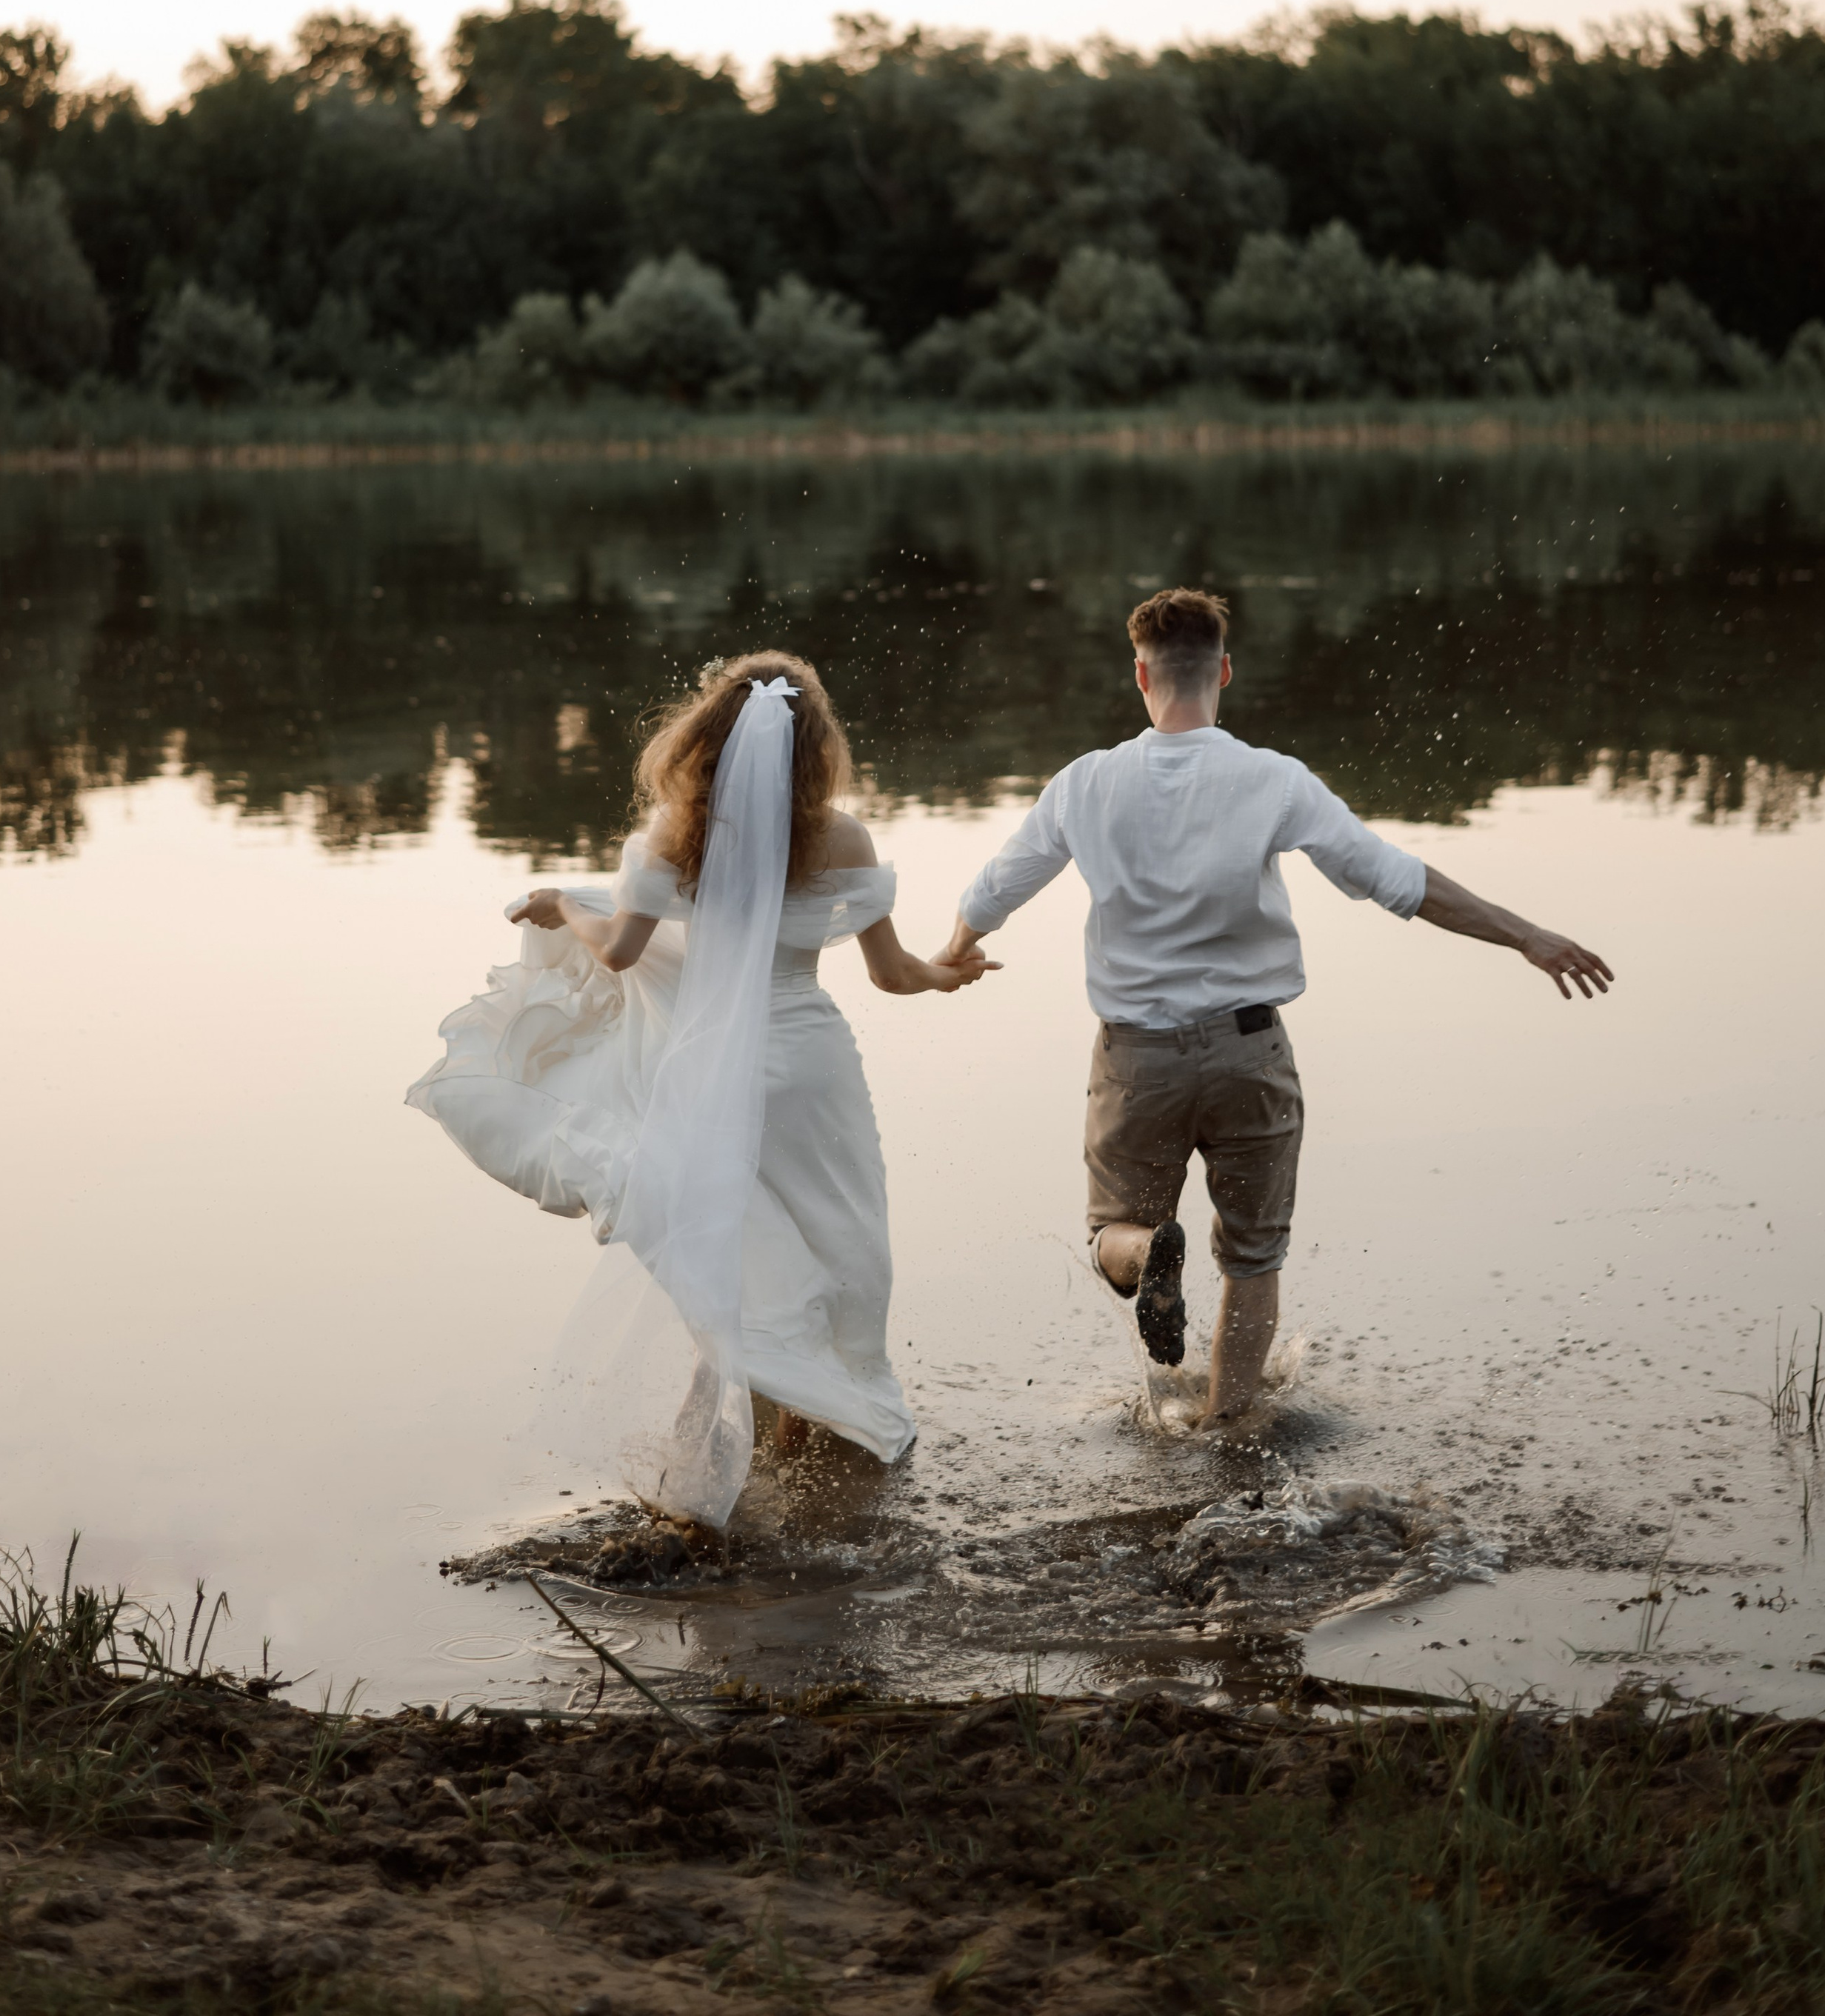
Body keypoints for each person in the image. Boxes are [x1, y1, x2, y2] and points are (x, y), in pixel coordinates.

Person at [938, 587, 1611, 1429]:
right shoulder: (1273, 779)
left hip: (1134, 1058)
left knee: (1113, 1232)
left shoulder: (1085, 785)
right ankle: (1229, 1430)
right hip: (1250, 1054)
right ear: (1223, 670)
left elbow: (995, 888)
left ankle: (1147, 1254)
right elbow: (1395, 880)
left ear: (1139, 675)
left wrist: (957, 946)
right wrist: (1526, 936)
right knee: (1253, 1259)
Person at [409, 651, 990, 1525]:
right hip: (810, 1068)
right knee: (843, 1242)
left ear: (705, 738)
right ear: (814, 745)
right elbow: (894, 974)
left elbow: (617, 953)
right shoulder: (843, 840)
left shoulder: (667, 840)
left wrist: (560, 903)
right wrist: (953, 972)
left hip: (715, 1067)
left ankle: (706, 1475)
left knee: (729, 1252)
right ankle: (822, 1424)